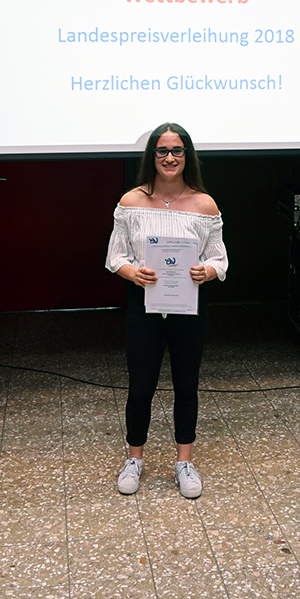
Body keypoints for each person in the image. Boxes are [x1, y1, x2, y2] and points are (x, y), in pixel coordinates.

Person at [105, 123, 228, 498]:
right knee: (140, 385)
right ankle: (134, 459)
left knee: (186, 384)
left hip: (189, 307)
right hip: (145, 306)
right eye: (162, 151)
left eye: (177, 150)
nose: (169, 158)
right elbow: (115, 257)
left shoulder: (205, 205)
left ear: (187, 156)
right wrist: (133, 273)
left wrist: (206, 271)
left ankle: (184, 463)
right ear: (151, 156)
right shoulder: (131, 202)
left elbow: (219, 259)